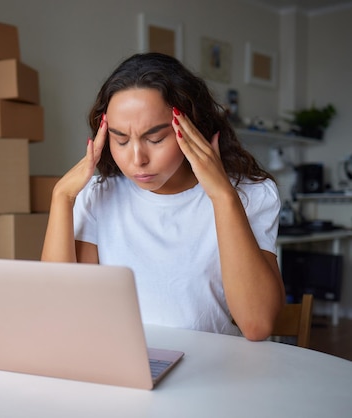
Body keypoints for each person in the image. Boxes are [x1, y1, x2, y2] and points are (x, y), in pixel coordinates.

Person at [41, 52, 285, 340]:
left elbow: (257, 325)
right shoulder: (97, 196)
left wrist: (222, 196)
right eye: (120, 139)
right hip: (128, 368)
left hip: (217, 372)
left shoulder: (250, 194)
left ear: (192, 127)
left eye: (155, 139)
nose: (137, 159)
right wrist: (62, 197)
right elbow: (59, 311)